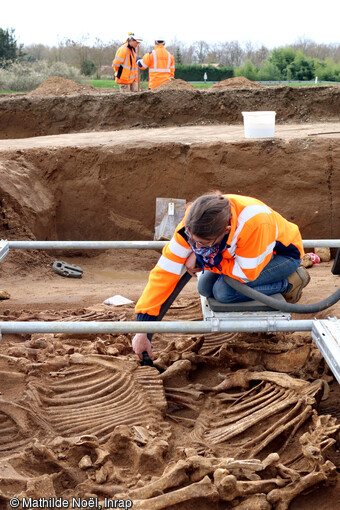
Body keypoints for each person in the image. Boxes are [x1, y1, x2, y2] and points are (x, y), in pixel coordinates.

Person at [132, 192, 311, 360]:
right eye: (193, 241)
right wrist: (143, 330)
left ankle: (289, 283)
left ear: (225, 231)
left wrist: (203, 260)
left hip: (281, 256)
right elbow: (164, 272)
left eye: (203, 243)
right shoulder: (195, 219)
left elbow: (245, 274)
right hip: (242, 254)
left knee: (224, 292)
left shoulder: (253, 224)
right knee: (203, 287)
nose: (195, 246)